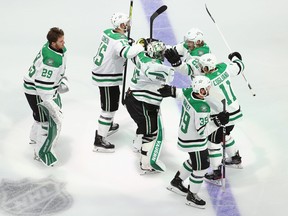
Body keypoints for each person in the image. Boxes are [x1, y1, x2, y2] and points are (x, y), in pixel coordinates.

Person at [157, 76, 229, 208]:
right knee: (201, 167)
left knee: (193, 161)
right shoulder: (202, 108)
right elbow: (203, 131)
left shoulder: (190, 93)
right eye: (206, 88)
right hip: (195, 141)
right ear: (200, 89)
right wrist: (218, 122)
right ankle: (192, 196)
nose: (208, 90)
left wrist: (172, 91)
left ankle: (176, 182)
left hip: (186, 136)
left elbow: (180, 93)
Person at [91, 12, 145, 153]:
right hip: (107, 77)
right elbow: (126, 53)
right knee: (109, 108)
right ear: (121, 25)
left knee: (112, 103)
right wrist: (139, 46)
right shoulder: (119, 41)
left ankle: (107, 126)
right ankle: (99, 140)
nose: (128, 25)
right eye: (126, 23)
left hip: (104, 73)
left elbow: (120, 43)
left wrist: (127, 42)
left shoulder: (108, 32)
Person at [194, 52, 245, 185]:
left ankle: (216, 173)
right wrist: (235, 57)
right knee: (225, 135)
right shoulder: (224, 67)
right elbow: (239, 65)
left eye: (202, 66)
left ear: (207, 68)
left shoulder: (207, 82)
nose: (200, 68)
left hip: (223, 115)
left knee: (213, 141)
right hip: (236, 111)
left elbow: (198, 92)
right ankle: (235, 157)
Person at [125, 40, 174, 173]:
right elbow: (168, 76)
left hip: (132, 97)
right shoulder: (155, 67)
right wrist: (175, 63)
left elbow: (134, 53)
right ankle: (146, 164)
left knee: (143, 125)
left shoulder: (141, 55)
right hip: (143, 103)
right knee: (151, 132)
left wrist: (140, 42)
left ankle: (137, 146)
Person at [23, 27, 68, 167]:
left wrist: (60, 81)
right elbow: (42, 86)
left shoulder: (51, 48)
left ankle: (34, 139)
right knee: (46, 121)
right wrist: (50, 103)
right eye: (61, 41)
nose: (64, 42)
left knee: (39, 116)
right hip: (35, 90)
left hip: (33, 85)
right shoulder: (51, 59)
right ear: (53, 43)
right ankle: (39, 152)